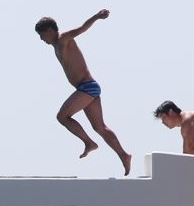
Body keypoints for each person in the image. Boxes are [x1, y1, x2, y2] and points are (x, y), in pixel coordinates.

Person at [34, 9, 132, 175]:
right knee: (100, 127)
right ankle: (124, 155)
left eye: (42, 35)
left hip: (87, 87)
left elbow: (82, 29)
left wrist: (97, 16)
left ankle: (89, 143)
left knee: (62, 117)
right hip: (88, 88)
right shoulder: (56, 46)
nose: (41, 39)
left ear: (50, 31)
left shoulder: (63, 38)